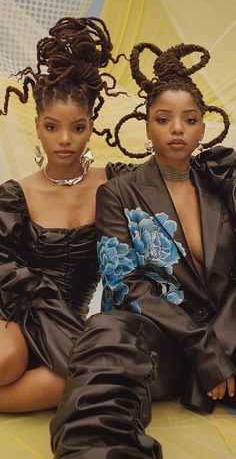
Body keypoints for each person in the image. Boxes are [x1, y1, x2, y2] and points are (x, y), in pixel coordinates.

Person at [51, 42, 236, 459]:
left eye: (189, 120)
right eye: (163, 119)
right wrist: (201, 347)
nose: (176, 129)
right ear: (147, 124)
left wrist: (220, 343)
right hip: (159, 343)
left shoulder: (221, 184)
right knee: (105, 331)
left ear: (203, 127)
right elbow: (127, 284)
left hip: (229, 334)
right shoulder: (119, 192)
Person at [0, 16, 134, 412]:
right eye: (52, 127)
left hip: (73, 329)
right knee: (6, 361)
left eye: (77, 127)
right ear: (37, 127)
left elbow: (171, 182)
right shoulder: (15, 194)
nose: (64, 139)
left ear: (91, 125)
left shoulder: (114, 182)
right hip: (16, 313)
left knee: (74, 382)